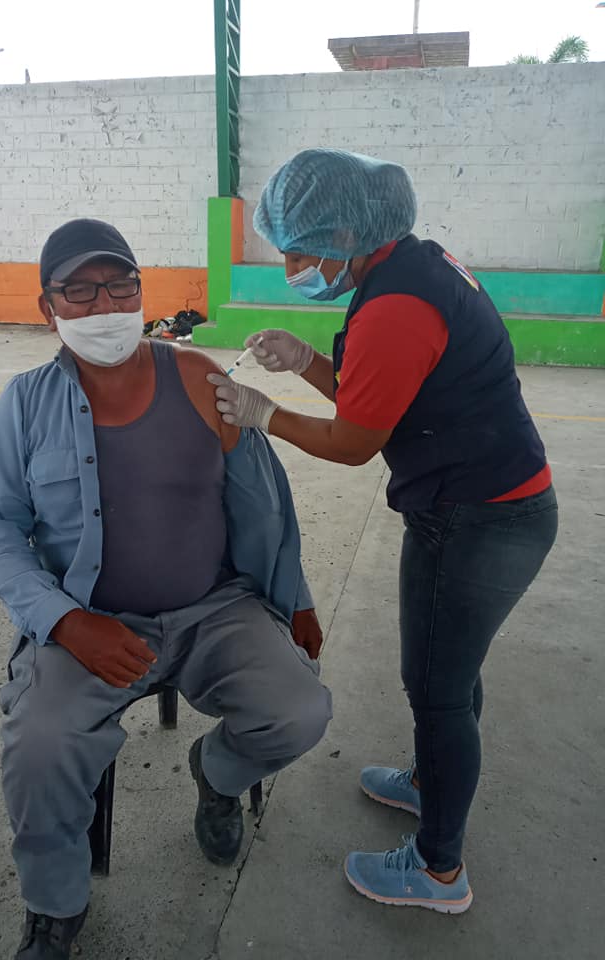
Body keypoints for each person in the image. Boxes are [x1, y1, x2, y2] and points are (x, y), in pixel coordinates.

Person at [208, 148, 558, 915]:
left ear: (345, 234)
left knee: (436, 689)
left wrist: (264, 414)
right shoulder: (411, 266)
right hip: (486, 500)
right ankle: (433, 781)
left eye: (299, 252)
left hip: (478, 519)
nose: (291, 267)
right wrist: (304, 359)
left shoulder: (396, 305)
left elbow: (354, 441)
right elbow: (375, 394)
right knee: (448, 675)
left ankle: (439, 872)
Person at [0, 218, 332, 959]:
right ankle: (55, 904)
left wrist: (294, 596)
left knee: (300, 710)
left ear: (142, 292)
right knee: (39, 748)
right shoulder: (25, 404)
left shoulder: (199, 378)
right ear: (47, 308)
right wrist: (65, 623)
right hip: (91, 620)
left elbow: (262, 500)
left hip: (214, 610)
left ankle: (217, 775)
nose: (104, 305)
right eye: (79, 291)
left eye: (120, 285)